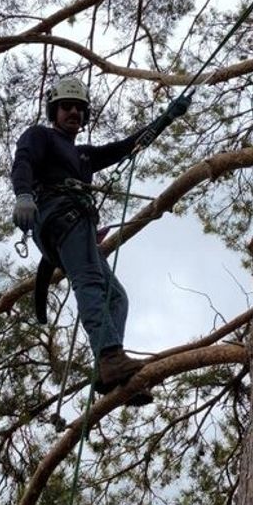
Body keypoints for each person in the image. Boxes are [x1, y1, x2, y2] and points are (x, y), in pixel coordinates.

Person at [11, 76, 189, 405]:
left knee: (116, 297)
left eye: (79, 109)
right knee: (90, 282)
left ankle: (112, 373)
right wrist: (23, 194)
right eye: (66, 107)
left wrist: (167, 117)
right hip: (59, 217)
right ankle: (110, 356)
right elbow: (23, 161)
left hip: (73, 226)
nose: (73, 113)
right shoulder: (41, 136)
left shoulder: (84, 156)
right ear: (54, 110)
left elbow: (129, 146)